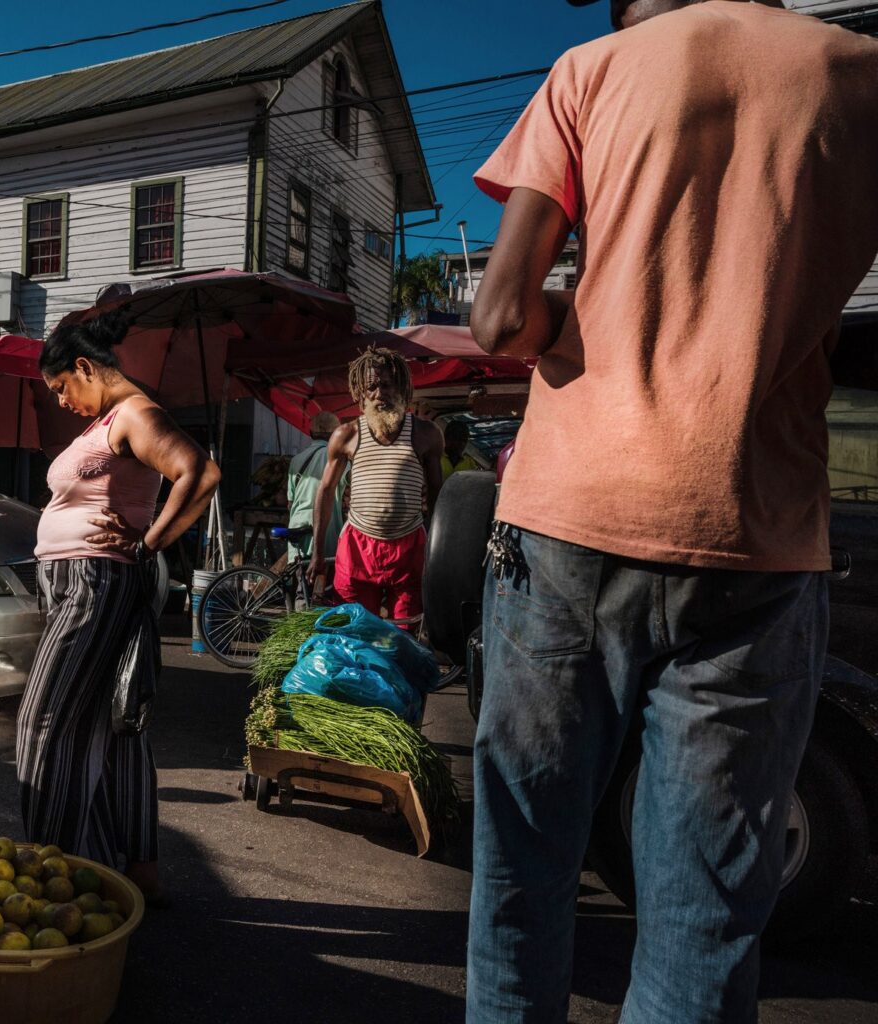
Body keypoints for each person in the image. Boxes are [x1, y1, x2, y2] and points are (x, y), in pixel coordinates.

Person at [464, 1, 878, 1021]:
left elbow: (502, 317)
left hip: (568, 515)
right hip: (755, 527)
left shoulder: (589, 71)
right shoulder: (860, 73)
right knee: (702, 918)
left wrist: (586, 312)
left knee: (524, 873)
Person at [18, 311, 220, 901]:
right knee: (107, 728)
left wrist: (148, 541)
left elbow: (200, 473)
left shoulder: (135, 412)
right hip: (78, 583)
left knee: (44, 724)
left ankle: (49, 881)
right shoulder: (109, 419)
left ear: (85, 368)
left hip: (94, 584)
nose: (60, 401)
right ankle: (126, 871)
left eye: (61, 388)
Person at [307, 347, 443, 624]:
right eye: (371, 387)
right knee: (355, 630)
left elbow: (438, 499)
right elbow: (325, 491)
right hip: (357, 546)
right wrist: (318, 554)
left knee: (403, 634)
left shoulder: (426, 434)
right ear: (360, 392)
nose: (379, 393)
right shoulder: (346, 435)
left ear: (401, 388)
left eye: (386, 385)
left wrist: (437, 554)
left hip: (409, 548)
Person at [285, 411, 344, 563]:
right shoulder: (339, 459)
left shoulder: (296, 460)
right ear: (336, 434)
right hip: (326, 530)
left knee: (299, 578)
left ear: (311, 433)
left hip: (297, 525)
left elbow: (290, 502)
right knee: (325, 579)